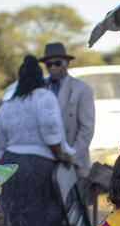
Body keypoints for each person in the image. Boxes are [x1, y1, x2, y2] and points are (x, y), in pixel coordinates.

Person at [0, 54, 82, 226]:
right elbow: (51, 133)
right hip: (39, 167)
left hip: (10, 166)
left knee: (16, 223)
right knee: (48, 223)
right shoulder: (44, 97)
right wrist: (63, 156)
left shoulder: (7, 106)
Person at [40, 42, 95, 176]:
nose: (53, 68)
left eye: (57, 63)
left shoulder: (82, 89)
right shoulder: (40, 88)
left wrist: (71, 156)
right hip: (47, 161)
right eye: (49, 65)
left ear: (67, 63)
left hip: (74, 162)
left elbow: (86, 129)